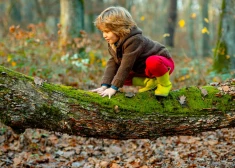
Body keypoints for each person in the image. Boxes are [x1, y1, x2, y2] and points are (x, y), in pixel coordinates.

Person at [91, 6, 175, 99]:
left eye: (107, 31)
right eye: (103, 31)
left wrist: (114, 88)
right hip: (144, 70)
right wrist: (105, 85)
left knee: (152, 62)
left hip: (163, 64)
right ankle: (149, 83)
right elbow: (113, 63)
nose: (104, 35)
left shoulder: (135, 40)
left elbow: (126, 65)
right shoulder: (113, 43)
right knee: (119, 75)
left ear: (118, 28)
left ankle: (164, 84)